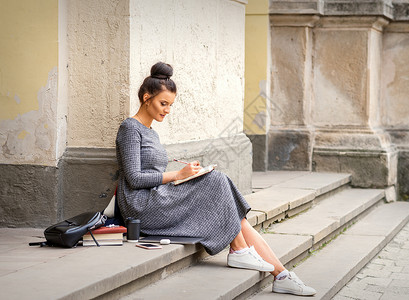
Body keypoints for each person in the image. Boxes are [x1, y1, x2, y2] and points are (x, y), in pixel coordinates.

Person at [115, 62, 316, 296]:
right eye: (163, 103)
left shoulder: (151, 131)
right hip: (140, 207)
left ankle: (281, 274)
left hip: (158, 197)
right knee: (218, 182)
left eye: (170, 105)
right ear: (146, 97)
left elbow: (153, 173)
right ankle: (243, 254)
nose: (167, 110)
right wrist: (178, 175)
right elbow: (134, 179)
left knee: (222, 191)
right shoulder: (129, 128)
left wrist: (186, 175)